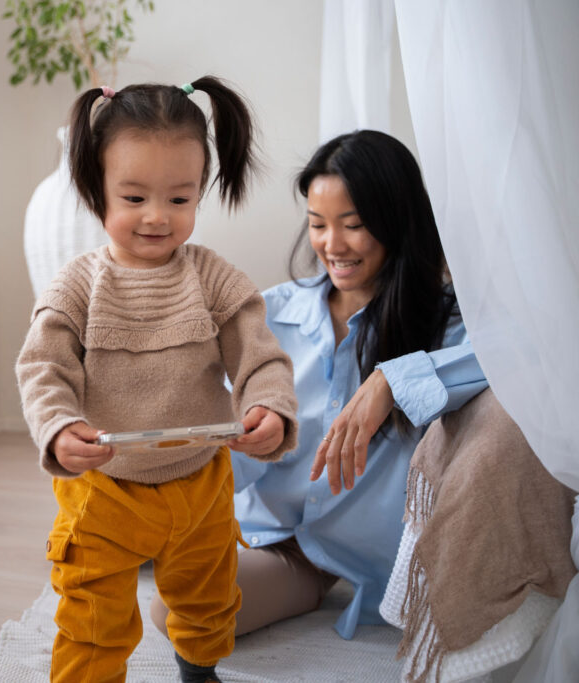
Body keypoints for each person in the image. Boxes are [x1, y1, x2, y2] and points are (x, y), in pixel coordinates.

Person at [149, 129, 489, 643]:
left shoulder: (446, 325)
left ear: (397, 222)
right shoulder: (271, 314)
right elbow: (222, 442)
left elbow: (521, 358)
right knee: (171, 597)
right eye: (318, 225)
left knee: (180, 608)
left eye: (353, 225)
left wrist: (391, 381)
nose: (333, 245)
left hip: (347, 553)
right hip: (268, 533)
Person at [16, 77, 299, 683]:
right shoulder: (77, 285)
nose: (156, 217)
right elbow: (43, 368)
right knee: (91, 612)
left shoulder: (213, 277)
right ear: (97, 192)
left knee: (210, 594)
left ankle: (198, 670)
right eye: (135, 196)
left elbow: (259, 354)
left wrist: (269, 408)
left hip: (199, 484)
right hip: (103, 489)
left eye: (179, 199)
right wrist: (59, 425)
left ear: (201, 193)